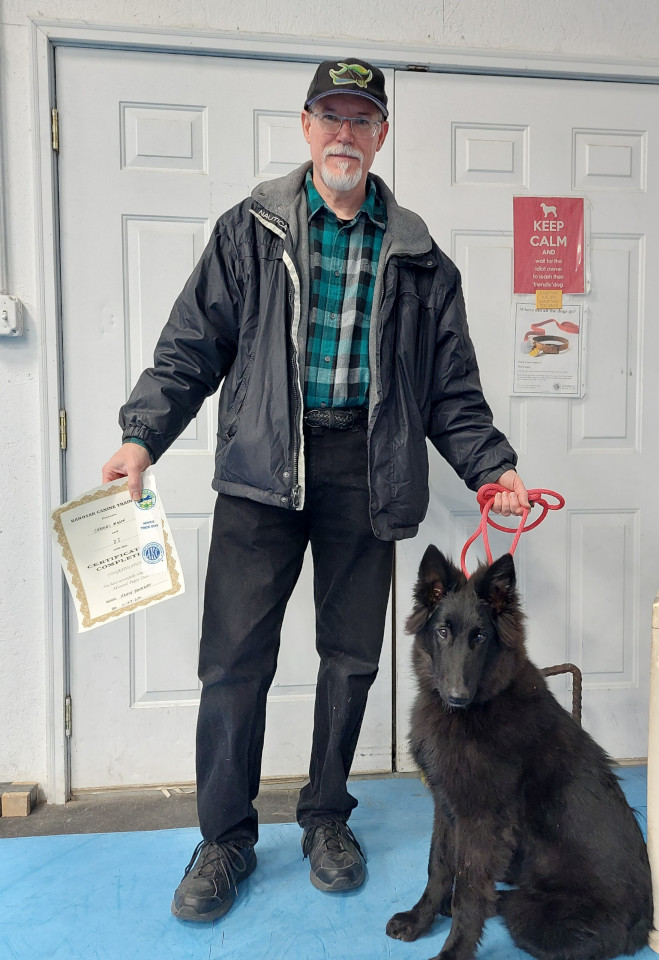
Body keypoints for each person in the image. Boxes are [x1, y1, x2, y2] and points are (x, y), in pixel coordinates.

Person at [102, 56, 530, 923]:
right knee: (232, 665)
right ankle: (224, 837)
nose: (345, 132)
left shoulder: (419, 259)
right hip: (262, 473)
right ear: (306, 127)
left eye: (361, 118)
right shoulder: (249, 232)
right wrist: (141, 436)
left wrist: (492, 466)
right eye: (330, 116)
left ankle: (328, 817)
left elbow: (450, 389)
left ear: (380, 135)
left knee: (353, 661)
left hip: (366, 473)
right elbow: (190, 347)